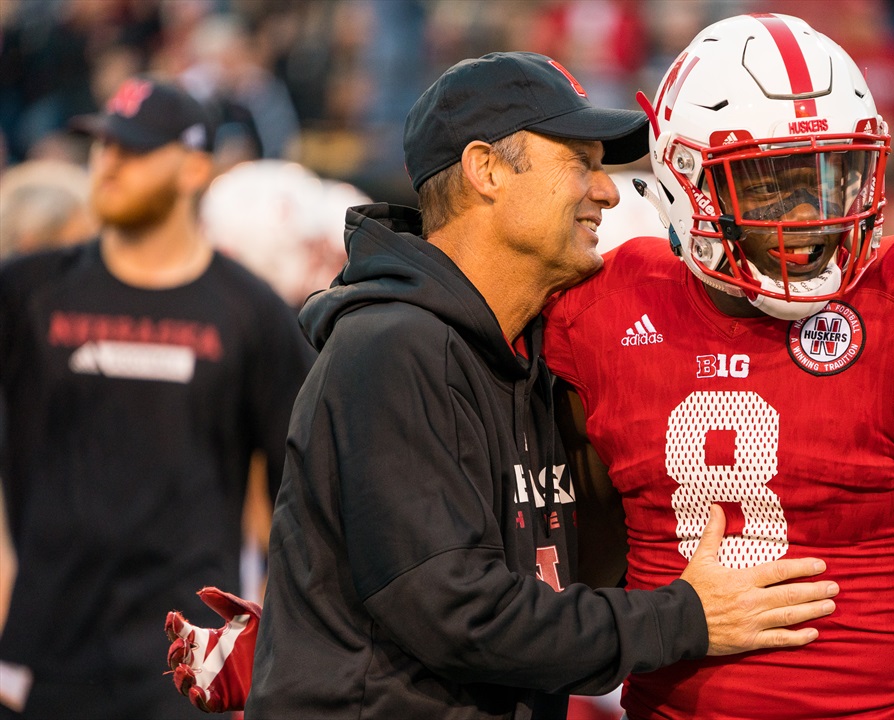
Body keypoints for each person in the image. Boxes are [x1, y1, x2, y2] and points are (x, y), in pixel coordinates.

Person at [167, 51, 840, 720]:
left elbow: (540, 582)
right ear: (486, 169)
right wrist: (683, 618)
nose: (607, 191)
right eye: (580, 162)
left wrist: (300, 634)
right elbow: (462, 614)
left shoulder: (527, 353)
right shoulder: (393, 348)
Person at [543, 13, 894, 718]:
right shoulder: (607, 311)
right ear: (685, 180)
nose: (811, 214)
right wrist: (675, 618)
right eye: (770, 182)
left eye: (833, 175)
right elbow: (584, 615)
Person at [0, 76, 314, 718]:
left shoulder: (250, 312)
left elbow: (304, 491)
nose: (109, 164)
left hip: (184, 665)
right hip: (42, 655)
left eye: (134, 149)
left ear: (194, 168)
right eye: (103, 145)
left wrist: (275, 634)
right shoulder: (28, 291)